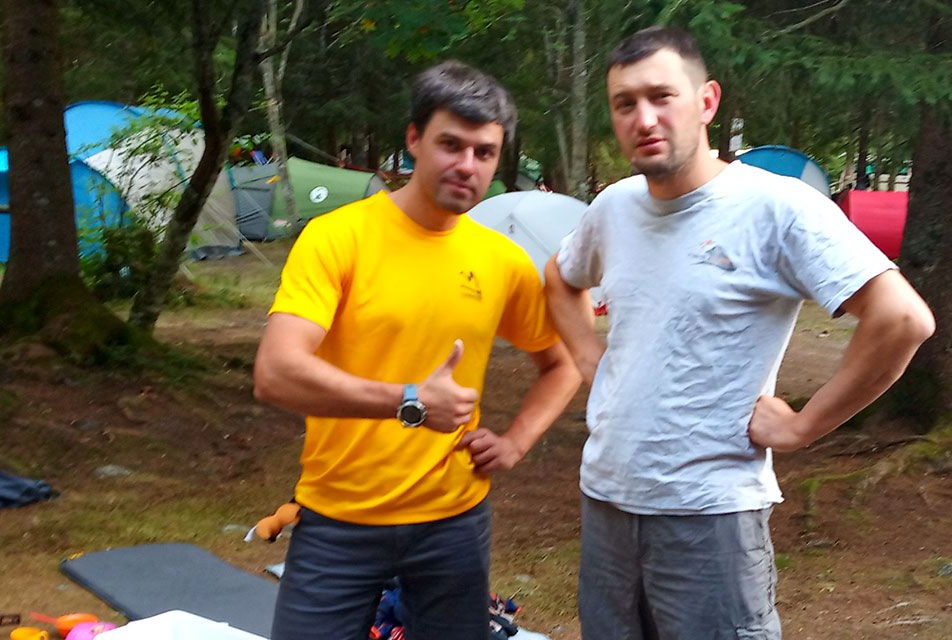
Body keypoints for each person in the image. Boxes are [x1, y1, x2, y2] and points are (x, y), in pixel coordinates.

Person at [544, 26, 935, 640]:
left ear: (706, 101)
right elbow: (559, 277)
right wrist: (591, 362)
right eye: (625, 103)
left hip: (711, 517)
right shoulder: (614, 206)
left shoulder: (775, 207)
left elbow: (903, 319)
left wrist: (804, 426)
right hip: (606, 501)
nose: (643, 118)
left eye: (661, 96)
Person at [253, 60, 580, 640]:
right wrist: (409, 400)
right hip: (339, 518)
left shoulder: (501, 261)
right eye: (451, 144)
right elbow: (276, 373)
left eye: (484, 152)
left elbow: (563, 364)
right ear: (413, 139)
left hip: (453, 523)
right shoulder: (338, 237)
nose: (467, 165)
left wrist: (516, 441)